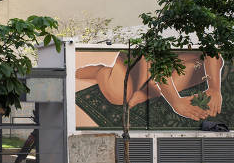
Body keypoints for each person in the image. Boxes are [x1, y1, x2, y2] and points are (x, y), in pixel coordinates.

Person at [76, 52, 223, 121]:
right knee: (119, 96)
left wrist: (214, 89)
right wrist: (176, 102)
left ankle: (149, 91)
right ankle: (100, 71)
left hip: (170, 63)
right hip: (137, 61)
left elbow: (213, 54)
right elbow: (157, 63)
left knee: (211, 65)